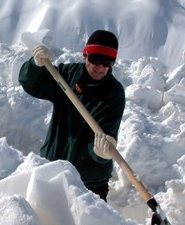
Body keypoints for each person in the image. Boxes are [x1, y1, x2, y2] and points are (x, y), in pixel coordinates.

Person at [19, 30, 125, 201]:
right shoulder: (67, 76)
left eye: (108, 62)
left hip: (88, 182)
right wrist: (34, 66)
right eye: (95, 59)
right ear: (85, 56)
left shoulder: (114, 93)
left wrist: (101, 152)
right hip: (52, 170)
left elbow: (106, 132)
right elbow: (31, 84)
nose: (100, 67)